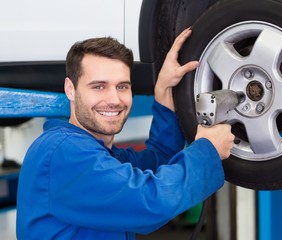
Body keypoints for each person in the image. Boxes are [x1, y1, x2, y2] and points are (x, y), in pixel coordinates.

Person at [16, 28, 235, 240]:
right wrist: (207, 150)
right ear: (70, 89)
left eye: (122, 87)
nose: (114, 99)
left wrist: (164, 94)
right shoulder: (62, 152)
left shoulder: (99, 155)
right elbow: (151, 202)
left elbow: (159, 160)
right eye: (99, 86)